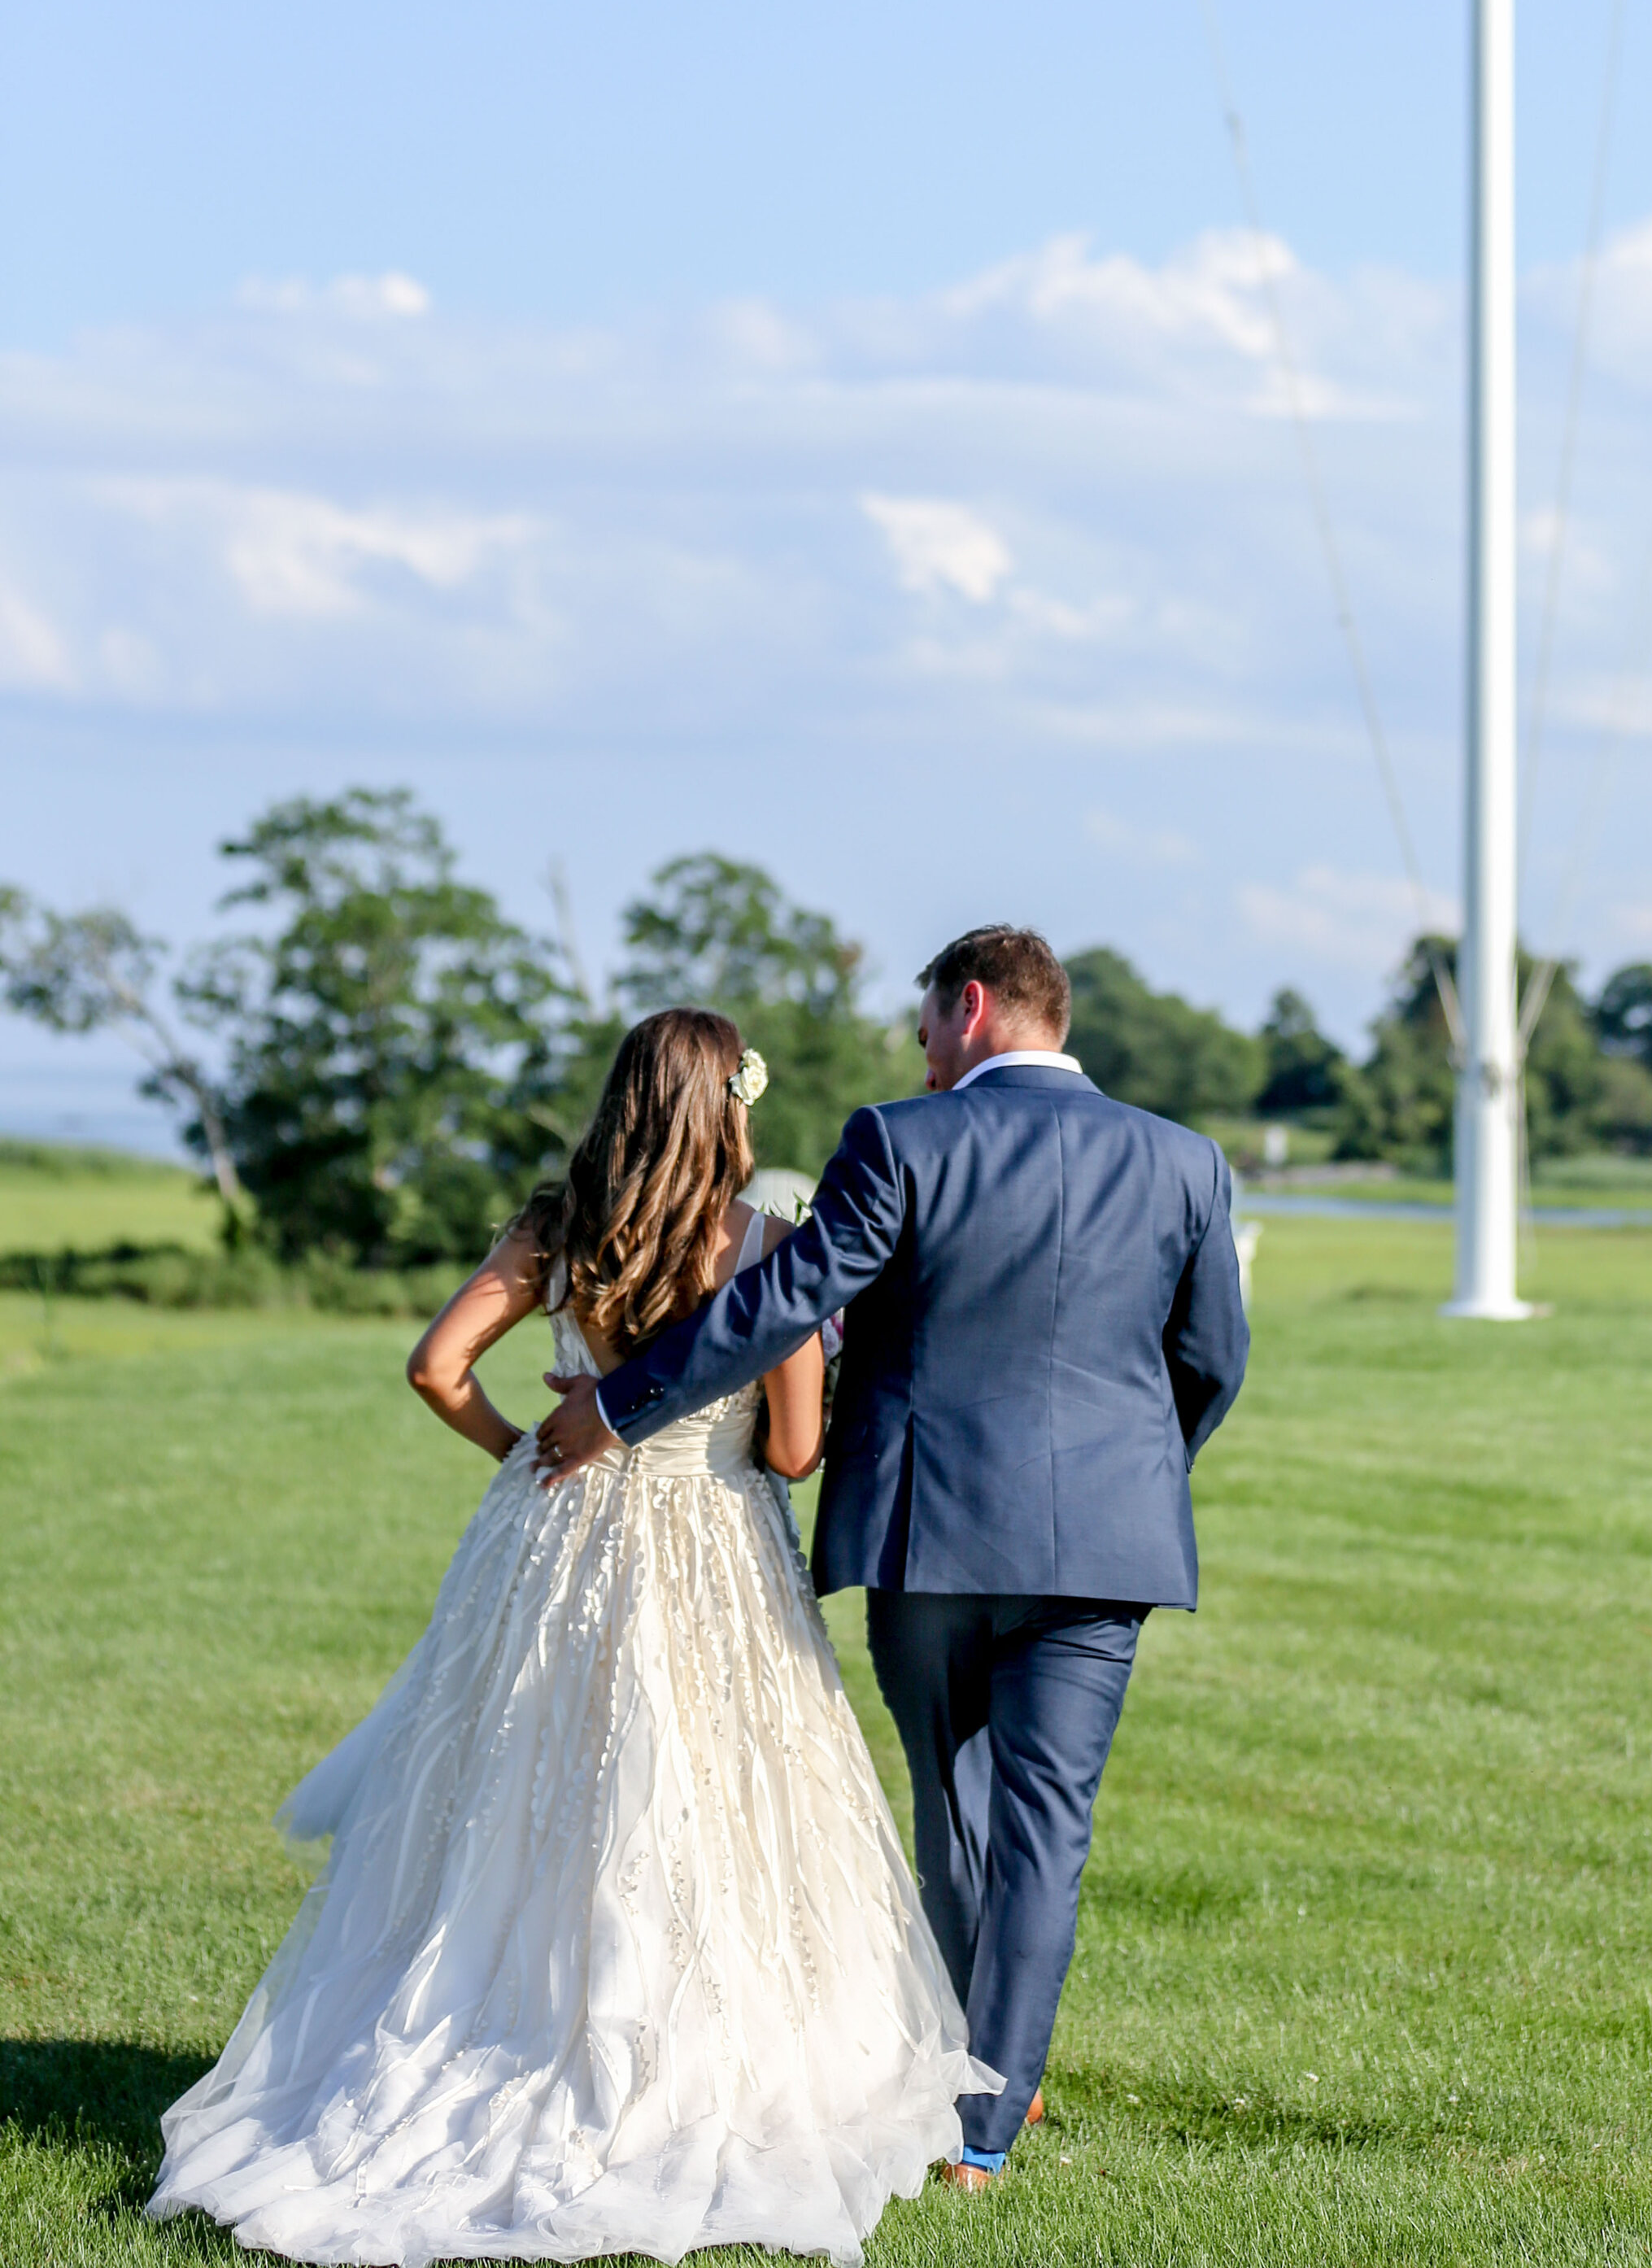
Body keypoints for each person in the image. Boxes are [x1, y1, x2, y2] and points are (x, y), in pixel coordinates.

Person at [148, 1009, 988, 2268]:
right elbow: (801, 1452)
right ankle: (685, 2054)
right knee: (709, 1798)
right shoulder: (764, 1242)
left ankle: (500, 2021)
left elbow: (437, 1365)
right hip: (711, 1544)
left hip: (553, 1539)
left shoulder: (556, 1225)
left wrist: (526, 1448)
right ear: (729, 1108)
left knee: (526, 1788)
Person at [537, 924, 1249, 2190]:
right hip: (1110, 1543)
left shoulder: (903, 1141)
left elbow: (781, 1301)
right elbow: (1210, 1362)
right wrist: (1131, 1477)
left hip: (931, 1530)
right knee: (1046, 1830)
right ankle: (987, 2124)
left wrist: (615, 1404)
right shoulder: (1186, 1160)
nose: (919, 1050)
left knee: (955, 1806)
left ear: (970, 1006)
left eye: (925, 1021)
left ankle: (968, 2082)